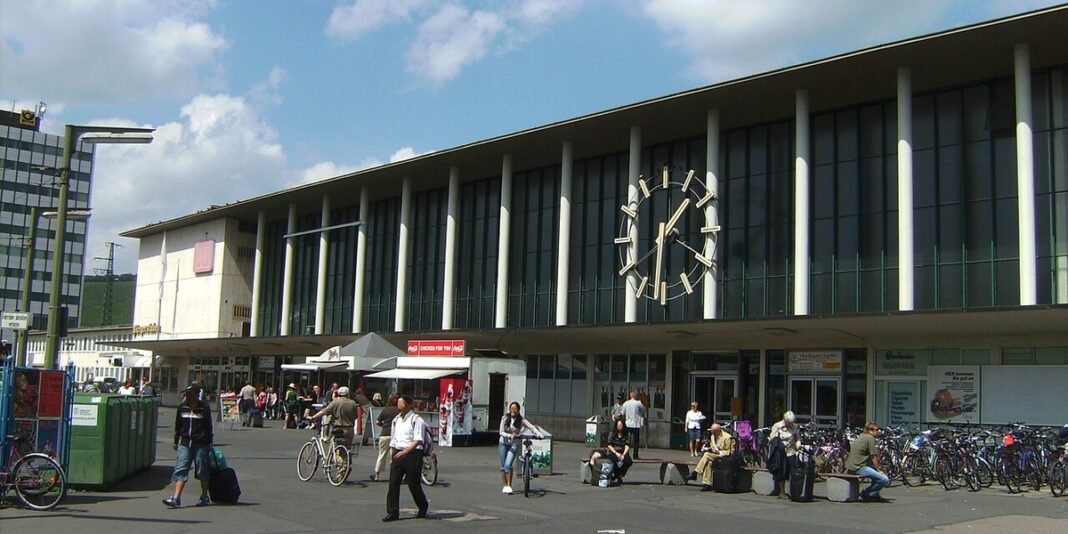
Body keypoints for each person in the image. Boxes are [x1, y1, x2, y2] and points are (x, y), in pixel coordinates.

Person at [163, 383, 213, 508]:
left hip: (201, 443)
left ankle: (204, 496)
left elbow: (208, 426)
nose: (187, 397)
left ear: (196, 395)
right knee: (181, 469)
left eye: (190, 394)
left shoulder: (203, 408)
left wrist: (210, 441)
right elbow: (178, 425)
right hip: (185, 443)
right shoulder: (182, 407)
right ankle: (176, 498)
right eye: (187, 394)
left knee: (202, 470)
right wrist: (176, 440)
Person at [383, 394, 429, 522]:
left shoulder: (416, 419)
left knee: (413, 484)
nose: (399, 406)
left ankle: (423, 505)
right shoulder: (396, 419)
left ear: (409, 405)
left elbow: (418, 439)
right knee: (393, 483)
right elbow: (393, 439)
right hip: (397, 452)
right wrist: (392, 456)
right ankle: (392, 511)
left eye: (401, 403)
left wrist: (406, 452)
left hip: (412, 454)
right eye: (398, 403)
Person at [498, 401, 544, 494]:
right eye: (511, 409)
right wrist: (509, 435)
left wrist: (539, 434)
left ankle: (509, 485)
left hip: (514, 444)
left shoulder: (521, 420)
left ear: (518, 410)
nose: (513, 411)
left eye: (515, 409)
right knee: (503, 466)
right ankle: (505, 485)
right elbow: (501, 432)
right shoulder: (505, 418)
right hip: (503, 443)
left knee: (508, 464)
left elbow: (531, 427)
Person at [846, 422, 891, 502]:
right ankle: (866, 493)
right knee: (884, 479)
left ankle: (874, 495)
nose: (878, 431)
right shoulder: (870, 438)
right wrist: (878, 470)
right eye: (876, 430)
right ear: (870, 430)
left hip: (853, 465)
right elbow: (873, 456)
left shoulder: (862, 436)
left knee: (876, 475)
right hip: (859, 467)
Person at [687, 423, 735, 491]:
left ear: (718, 431)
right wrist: (711, 449)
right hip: (715, 456)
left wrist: (720, 452)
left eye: (714, 432)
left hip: (724, 457)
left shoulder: (727, 437)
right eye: (712, 431)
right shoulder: (712, 436)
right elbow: (713, 446)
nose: (712, 433)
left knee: (707, 455)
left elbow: (731, 451)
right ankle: (706, 484)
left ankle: (695, 473)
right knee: (708, 462)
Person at [767, 410, 801, 498]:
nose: (789, 424)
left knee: (792, 471)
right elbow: (772, 439)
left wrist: (798, 445)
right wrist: (776, 441)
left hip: (791, 451)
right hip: (780, 451)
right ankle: (782, 492)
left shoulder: (795, 427)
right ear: (784, 420)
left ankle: (794, 491)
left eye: (791, 422)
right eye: (788, 422)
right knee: (781, 471)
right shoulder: (777, 426)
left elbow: (797, 438)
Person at [588, 418, 633, 484]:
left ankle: (619, 475)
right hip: (614, 451)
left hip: (623, 451)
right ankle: (616, 475)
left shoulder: (627, 433)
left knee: (628, 461)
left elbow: (627, 445)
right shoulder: (612, 433)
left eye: (621, 425)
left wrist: (623, 454)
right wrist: (616, 453)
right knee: (613, 461)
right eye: (618, 426)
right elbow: (609, 445)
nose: (619, 427)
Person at [373, 394, 400, 481]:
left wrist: (383, 425)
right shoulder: (399, 411)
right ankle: (395, 474)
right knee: (394, 456)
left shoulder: (385, 410)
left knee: (381, 455)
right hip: (395, 435)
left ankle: (377, 475)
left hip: (384, 434)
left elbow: (377, 422)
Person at [621, 390, 646, 459]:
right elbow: (644, 410)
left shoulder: (626, 403)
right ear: (636, 396)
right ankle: (635, 456)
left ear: (630, 396)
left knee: (627, 440)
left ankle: (626, 454)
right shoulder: (638, 403)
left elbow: (622, 413)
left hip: (627, 424)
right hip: (636, 424)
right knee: (636, 441)